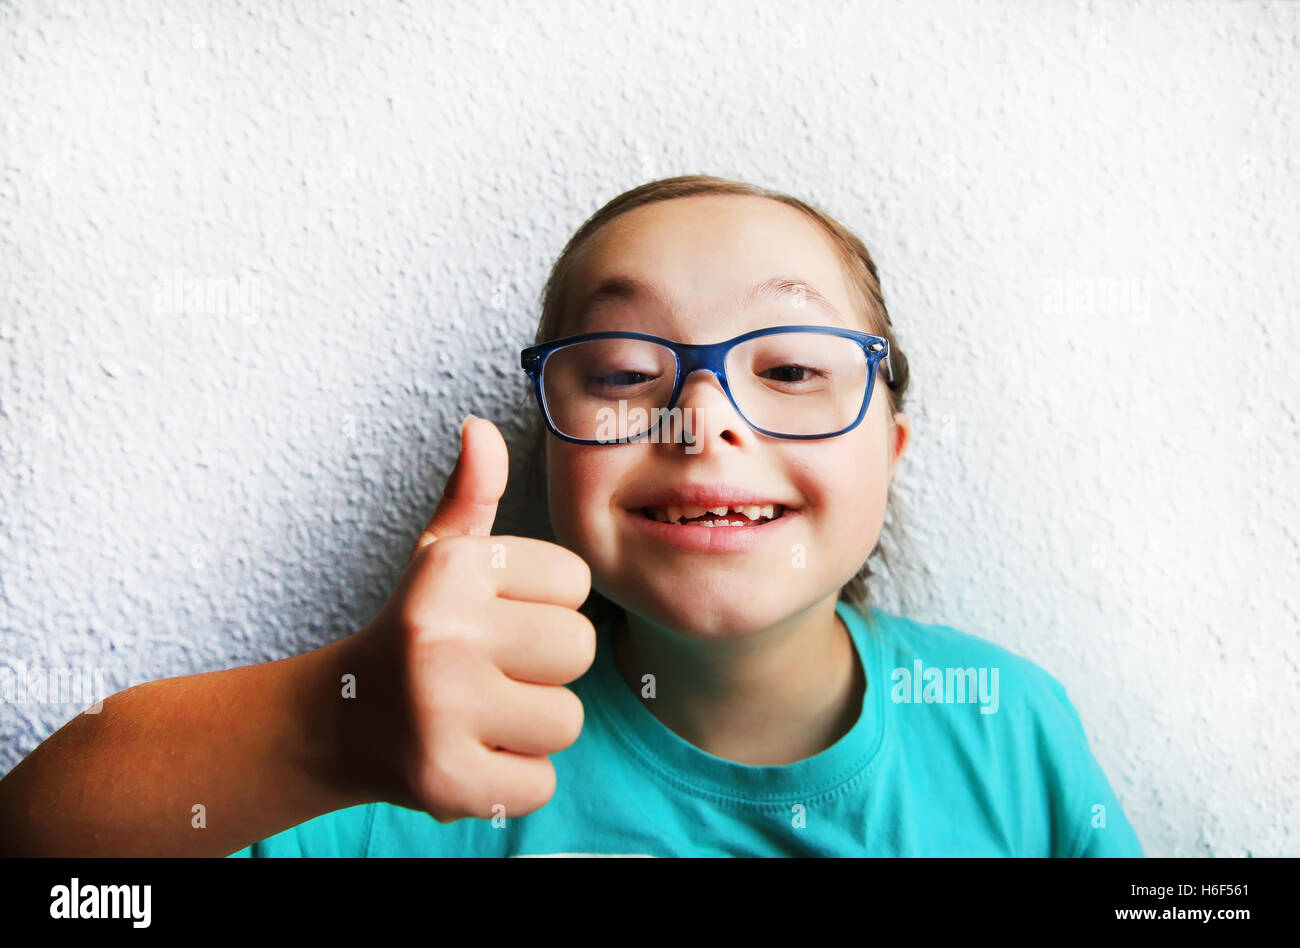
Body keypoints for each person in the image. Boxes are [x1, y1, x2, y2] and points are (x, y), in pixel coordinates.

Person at [0, 175, 1142, 857]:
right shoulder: (429, 758)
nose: (700, 418)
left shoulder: (1009, 722)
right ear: (553, 460)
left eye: (790, 369)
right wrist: (330, 725)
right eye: (625, 370)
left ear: (889, 451)